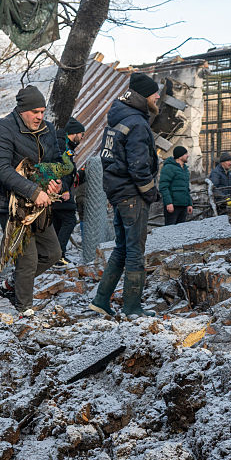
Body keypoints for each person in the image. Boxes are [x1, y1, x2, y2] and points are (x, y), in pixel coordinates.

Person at [89, 71, 161, 319]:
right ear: (144, 97)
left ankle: (100, 300)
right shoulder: (138, 123)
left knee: (121, 248)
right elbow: (138, 166)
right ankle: (132, 307)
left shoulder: (117, 119)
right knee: (134, 252)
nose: (158, 97)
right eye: (154, 94)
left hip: (119, 194)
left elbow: (107, 159)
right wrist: (150, 192)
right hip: (132, 195)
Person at [0, 85, 62, 315]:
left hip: (40, 205)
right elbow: (0, 167)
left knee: (52, 254)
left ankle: (12, 284)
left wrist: (57, 182)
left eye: (42, 112)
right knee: (27, 258)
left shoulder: (48, 130)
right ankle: (24, 310)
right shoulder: (3, 129)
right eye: (35, 112)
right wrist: (32, 191)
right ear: (22, 110)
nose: (40, 117)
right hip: (12, 205)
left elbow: (58, 162)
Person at [53, 117, 86, 266]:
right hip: (61, 190)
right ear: (75, 133)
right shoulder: (63, 145)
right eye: (81, 134)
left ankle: (56, 255)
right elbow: (60, 168)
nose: (82, 138)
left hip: (57, 189)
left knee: (58, 221)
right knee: (69, 220)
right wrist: (65, 188)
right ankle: (58, 255)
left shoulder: (63, 144)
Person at [159, 145, 193, 225]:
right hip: (173, 206)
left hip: (183, 205)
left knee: (181, 231)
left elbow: (186, 188)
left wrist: (189, 204)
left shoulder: (185, 169)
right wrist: (168, 203)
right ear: (180, 156)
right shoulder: (168, 168)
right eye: (186, 154)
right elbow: (163, 187)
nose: (187, 155)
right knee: (170, 231)